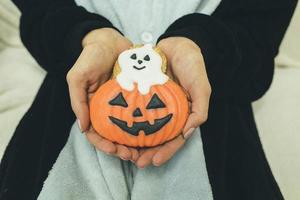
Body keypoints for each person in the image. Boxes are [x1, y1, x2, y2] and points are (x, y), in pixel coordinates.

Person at [0, 0, 297, 199]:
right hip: (71, 100)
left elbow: (257, 38)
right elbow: (40, 10)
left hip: (216, 107)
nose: (138, 116)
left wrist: (202, 44)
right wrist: (83, 35)